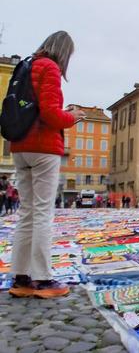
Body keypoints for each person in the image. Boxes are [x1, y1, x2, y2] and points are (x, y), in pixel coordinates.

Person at [7, 31, 83, 299]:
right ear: (63, 52)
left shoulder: (26, 66)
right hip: (43, 148)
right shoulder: (49, 68)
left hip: (20, 147)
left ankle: (21, 277)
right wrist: (72, 116)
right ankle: (42, 278)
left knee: (26, 213)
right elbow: (51, 114)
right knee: (41, 213)